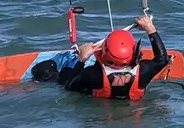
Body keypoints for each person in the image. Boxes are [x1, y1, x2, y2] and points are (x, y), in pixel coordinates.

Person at [43, 14, 173, 101]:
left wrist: (81, 60)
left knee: (58, 71)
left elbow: (69, 87)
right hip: (133, 113)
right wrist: (150, 29)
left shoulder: (93, 74)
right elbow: (162, 59)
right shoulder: (145, 70)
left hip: (101, 112)